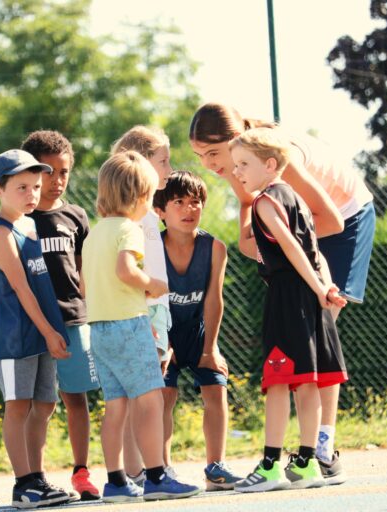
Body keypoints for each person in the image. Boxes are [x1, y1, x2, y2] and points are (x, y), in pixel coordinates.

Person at [189, 102, 376, 483]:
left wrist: (285, 254)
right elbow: (249, 214)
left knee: (314, 341)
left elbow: (328, 222)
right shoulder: (240, 163)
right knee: (303, 347)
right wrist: (257, 238)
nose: (208, 164)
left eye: (212, 153)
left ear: (236, 140)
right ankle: (302, 453)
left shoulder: (274, 157)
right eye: (198, 156)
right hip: (297, 225)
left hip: (343, 219)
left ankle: (322, 449)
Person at [228, 128, 349, 492]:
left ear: (269, 164)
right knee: (308, 381)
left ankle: (270, 466)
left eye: (243, 164)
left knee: (278, 383)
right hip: (311, 298)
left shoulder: (266, 203)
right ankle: (308, 462)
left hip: (288, 298)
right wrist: (325, 289)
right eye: (234, 165)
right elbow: (314, 252)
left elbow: (295, 250)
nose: (237, 172)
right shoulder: (295, 197)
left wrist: (317, 287)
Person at [81, 151, 201, 502]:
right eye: (149, 198)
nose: (150, 206)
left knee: (115, 405)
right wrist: (151, 284)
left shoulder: (93, 235)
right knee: (149, 402)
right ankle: (157, 475)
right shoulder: (129, 230)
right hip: (129, 325)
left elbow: (84, 285)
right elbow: (125, 270)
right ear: (137, 198)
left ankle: (116, 480)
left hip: (99, 329)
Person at [0, 149, 72, 509]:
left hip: (41, 331)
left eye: (36, 186)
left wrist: (51, 330)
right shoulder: (2, 233)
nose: (32, 194)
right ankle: (23, 485)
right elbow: (18, 290)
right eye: (21, 187)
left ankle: (38, 478)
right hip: (18, 338)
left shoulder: (30, 225)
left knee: (45, 405)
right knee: (18, 407)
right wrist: (50, 333)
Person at [21, 131, 101, 501]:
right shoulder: (18, 222)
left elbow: (83, 274)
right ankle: (34, 476)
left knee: (76, 398)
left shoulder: (77, 216)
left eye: (63, 171)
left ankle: (81, 471)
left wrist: (93, 314)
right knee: (42, 403)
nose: (57, 180)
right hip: (34, 323)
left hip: (73, 320)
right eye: (47, 172)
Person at [152, 171, 242, 490]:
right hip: (163, 331)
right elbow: (150, 301)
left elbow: (214, 300)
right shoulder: (152, 247)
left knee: (216, 387)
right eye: (179, 202)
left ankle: (215, 468)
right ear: (160, 211)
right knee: (164, 394)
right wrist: (163, 345)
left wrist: (210, 349)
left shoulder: (214, 247)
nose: (189, 209)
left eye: (196, 202)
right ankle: (163, 469)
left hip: (198, 332)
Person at [109, 126, 174, 485]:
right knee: (142, 395)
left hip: (155, 311)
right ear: (140, 164)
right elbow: (131, 272)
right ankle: (139, 471)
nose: (168, 168)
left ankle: (152, 466)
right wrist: (148, 313)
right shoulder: (133, 220)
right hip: (142, 312)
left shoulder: (148, 215)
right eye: (162, 161)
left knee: (152, 393)